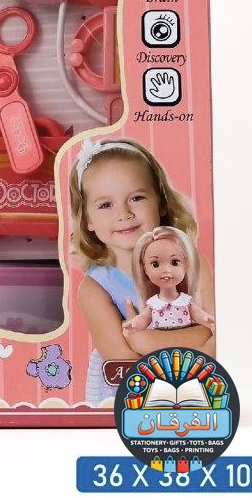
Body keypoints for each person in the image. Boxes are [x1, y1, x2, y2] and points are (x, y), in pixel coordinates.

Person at [69, 138, 215, 405]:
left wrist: (145, 341)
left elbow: (216, 335)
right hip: (130, 400)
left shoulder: (191, 261)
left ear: (161, 202)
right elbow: (124, 365)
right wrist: (197, 339)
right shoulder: (95, 288)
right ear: (87, 219)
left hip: (192, 393)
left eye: (136, 198)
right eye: (105, 205)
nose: (124, 213)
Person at [124, 226, 215, 334]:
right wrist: (134, 325)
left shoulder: (186, 301)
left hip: (185, 338)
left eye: (174, 262)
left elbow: (198, 314)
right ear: (145, 269)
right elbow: (144, 319)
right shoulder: (153, 304)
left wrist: (208, 320)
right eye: (155, 264)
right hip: (160, 341)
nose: (166, 270)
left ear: (186, 264)